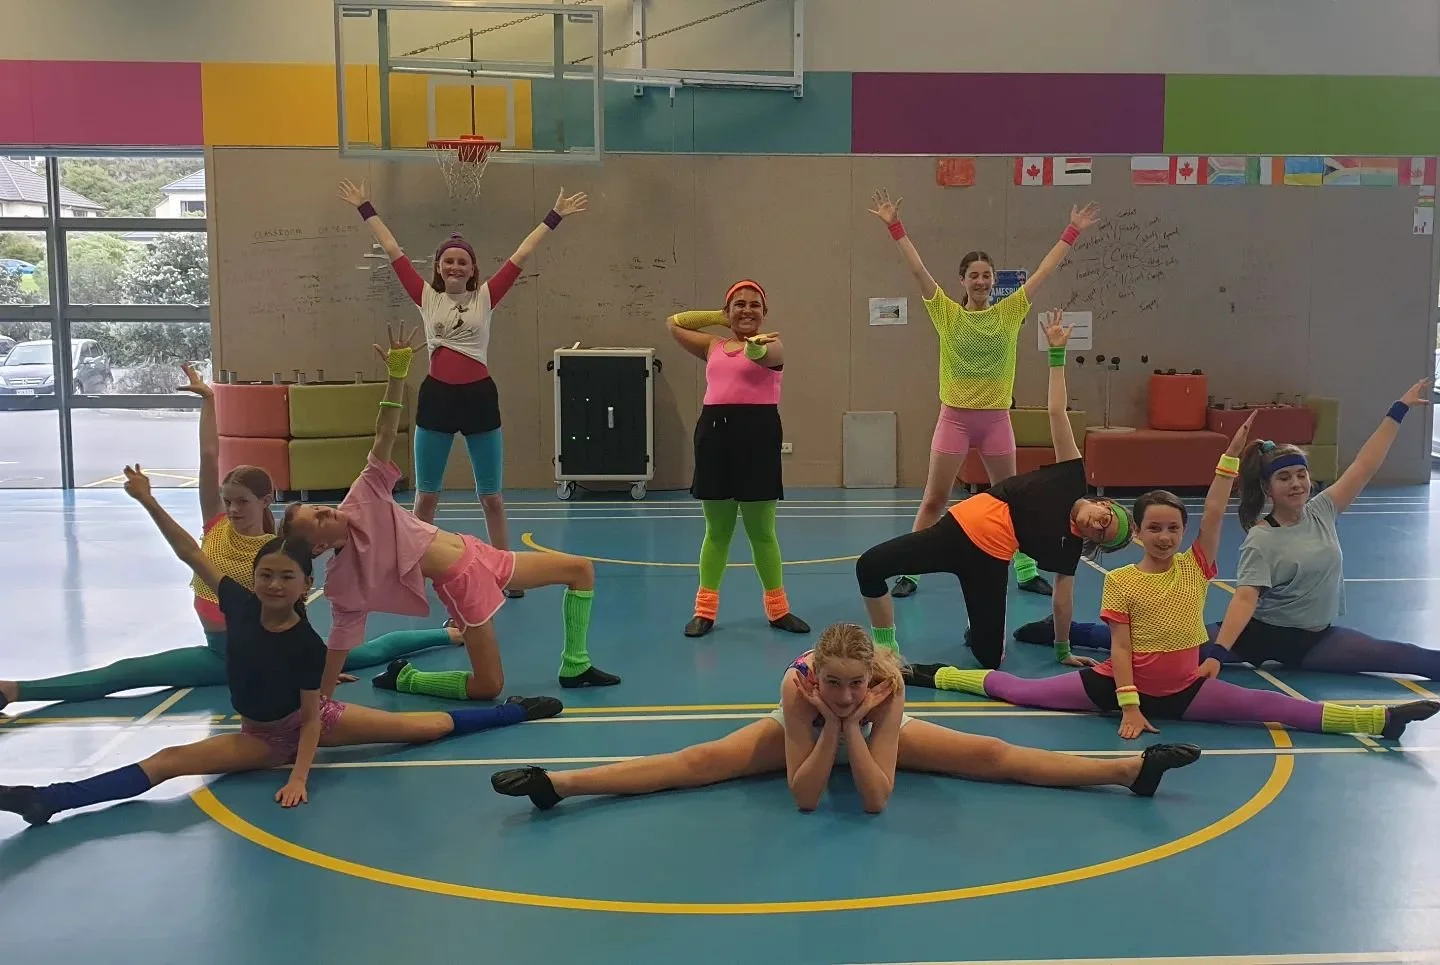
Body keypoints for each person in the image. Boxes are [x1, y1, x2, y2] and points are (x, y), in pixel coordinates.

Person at [0, 466, 562, 827]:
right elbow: (190, 553)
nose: (272, 585)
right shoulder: (240, 605)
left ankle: (516, 711)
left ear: (303, 586)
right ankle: (48, 799)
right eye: (265, 575)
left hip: (314, 727)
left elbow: (314, 719)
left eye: (284, 578)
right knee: (168, 762)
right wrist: (148, 500)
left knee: (429, 728)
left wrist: (300, 776)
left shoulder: (304, 643)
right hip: (258, 737)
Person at [904, 403, 1440, 741]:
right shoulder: (1122, 581)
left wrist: (1230, 458)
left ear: (1183, 533)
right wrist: (1129, 708)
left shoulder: (1196, 567)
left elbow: (1214, 510)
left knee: (1275, 707)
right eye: (1154, 528)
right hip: (1117, 688)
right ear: (1138, 533)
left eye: (1172, 528)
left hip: (1186, 688)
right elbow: (1119, 651)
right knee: (1023, 691)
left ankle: (1376, 719)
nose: (1164, 536)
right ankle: (934, 674)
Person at [0, 363, 457, 713]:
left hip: (247, 654)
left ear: (265, 501)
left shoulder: (275, 550)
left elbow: (294, 604)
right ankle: (16, 689)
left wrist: (308, 666)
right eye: (228, 501)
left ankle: (450, 635)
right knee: (126, 673)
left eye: (242, 502)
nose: (234, 509)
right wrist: (208, 400)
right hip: (214, 646)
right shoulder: (215, 523)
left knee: (363, 653)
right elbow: (209, 453)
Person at [490, 622, 1201, 813]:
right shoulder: (799, 689)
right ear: (816, 676)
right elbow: (805, 797)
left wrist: (858, 719)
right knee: (698, 763)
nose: (841, 690)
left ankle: (1127, 770)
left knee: (991, 755)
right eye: (831, 682)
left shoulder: (885, 688)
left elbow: (875, 798)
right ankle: (561, 783)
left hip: (873, 734)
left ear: (871, 678)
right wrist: (830, 722)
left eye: (851, 684)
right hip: (796, 732)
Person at [1008, 377, 1440, 681]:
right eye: (1285, 478)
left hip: (1314, 640)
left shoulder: (1324, 510)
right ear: (1268, 488)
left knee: (1400, 656)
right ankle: (1069, 631)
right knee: (1154, 645)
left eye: (1301, 475)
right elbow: (1244, 601)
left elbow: (1365, 464)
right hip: (1256, 635)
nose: (1296, 484)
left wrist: (1398, 410)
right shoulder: (1262, 538)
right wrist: (1216, 653)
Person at [280, 326, 619, 700]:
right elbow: (341, 638)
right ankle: (407, 678)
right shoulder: (344, 578)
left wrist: (396, 377)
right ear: (317, 548)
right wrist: (322, 699)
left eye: (319, 507)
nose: (326, 511)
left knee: (580, 570)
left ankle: (575, 666)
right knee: (489, 687)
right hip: (461, 583)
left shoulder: (362, 497)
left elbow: (384, 435)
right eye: (318, 519)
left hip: (480, 553)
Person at [337, 178, 587, 599]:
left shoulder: (485, 298)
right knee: (426, 496)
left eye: (462, 262)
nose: (455, 267)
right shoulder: (426, 298)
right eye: (448, 261)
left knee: (491, 497)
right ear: (438, 268)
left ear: (473, 270)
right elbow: (392, 249)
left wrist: (555, 215)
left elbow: (522, 253)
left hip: (479, 400)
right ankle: (415, 568)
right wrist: (365, 206)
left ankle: (506, 572)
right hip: (437, 399)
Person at [853, 311, 1133, 664]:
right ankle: (887, 649)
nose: (1096, 527)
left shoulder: (1068, 549)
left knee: (990, 658)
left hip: (989, 564)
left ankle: (978, 626)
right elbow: (1056, 412)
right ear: (1104, 505)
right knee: (869, 566)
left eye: (1101, 537)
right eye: (1104, 521)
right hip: (956, 531)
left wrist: (1063, 650)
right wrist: (1056, 355)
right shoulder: (1071, 476)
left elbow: (1063, 601)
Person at [867, 189, 1101, 600]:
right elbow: (918, 270)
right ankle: (910, 572)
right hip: (954, 419)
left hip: (995, 422)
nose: (980, 281)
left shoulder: (1009, 313)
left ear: (994, 281)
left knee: (1011, 501)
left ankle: (1025, 570)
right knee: (934, 499)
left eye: (986, 275)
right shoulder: (946, 313)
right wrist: (895, 227)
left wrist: (1072, 231)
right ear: (962, 280)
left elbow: (1044, 271)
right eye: (973, 275)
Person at [665, 280, 809, 638]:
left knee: (762, 532)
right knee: (717, 531)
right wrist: (720, 316)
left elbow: (764, 357)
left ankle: (778, 610)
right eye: (739, 304)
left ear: (765, 313)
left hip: (757, 438)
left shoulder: (772, 344)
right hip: (714, 437)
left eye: (755, 305)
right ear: (728, 311)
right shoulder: (712, 345)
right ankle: (704, 611)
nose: (747, 310)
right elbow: (674, 323)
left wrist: (755, 345)